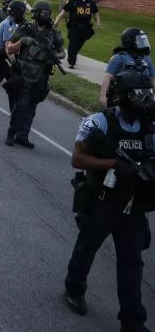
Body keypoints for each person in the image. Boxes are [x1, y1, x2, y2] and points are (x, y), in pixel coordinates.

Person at [64, 70, 154, 332]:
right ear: (123, 97)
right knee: (86, 248)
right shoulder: (98, 123)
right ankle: (74, 289)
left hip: (133, 205)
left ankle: (132, 320)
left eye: (148, 94)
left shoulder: (149, 125)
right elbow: (77, 160)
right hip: (102, 199)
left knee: (132, 262)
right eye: (140, 95)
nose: (146, 100)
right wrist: (113, 163)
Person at [4, 0, 65, 148]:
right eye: (42, 12)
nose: (45, 15)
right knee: (21, 105)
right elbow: (9, 49)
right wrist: (22, 42)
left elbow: (62, 53)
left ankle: (23, 136)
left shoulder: (53, 32)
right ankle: (12, 133)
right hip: (24, 73)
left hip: (41, 75)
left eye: (47, 13)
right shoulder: (25, 28)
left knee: (32, 107)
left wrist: (53, 54)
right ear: (35, 14)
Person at [100, 28, 155, 107]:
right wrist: (103, 96)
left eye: (144, 41)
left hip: (142, 98)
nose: (144, 44)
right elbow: (107, 77)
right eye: (140, 41)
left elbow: (153, 79)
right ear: (130, 42)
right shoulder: (119, 57)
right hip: (121, 98)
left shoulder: (147, 59)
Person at [54, 0, 101, 69]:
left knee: (79, 45)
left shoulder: (91, 3)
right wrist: (57, 21)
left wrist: (98, 23)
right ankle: (72, 62)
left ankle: (72, 56)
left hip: (85, 28)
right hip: (74, 27)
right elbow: (63, 13)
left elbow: (96, 13)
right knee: (73, 44)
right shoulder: (72, 2)